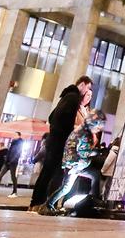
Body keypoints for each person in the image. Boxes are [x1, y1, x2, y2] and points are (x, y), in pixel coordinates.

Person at [29, 76, 92, 212]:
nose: (87, 92)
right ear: (82, 84)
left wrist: (55, 130)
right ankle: (45, 205)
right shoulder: (74, 98)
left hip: (53, 140)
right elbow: (68, 121)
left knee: (47, 173)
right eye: (87, 88)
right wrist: (70, 134)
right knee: (55, 174)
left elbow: (51, 117)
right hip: (61, 142)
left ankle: (35, 203)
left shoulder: (66, 96)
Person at [47, 111, 102, 214]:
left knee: (94, 175)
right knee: (66, 188)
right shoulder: (83, 134)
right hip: (75, 165)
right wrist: (93, 153)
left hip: (76, 164)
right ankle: (49, 204)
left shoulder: (82, 132)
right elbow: (79, 150)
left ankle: (93, 198)